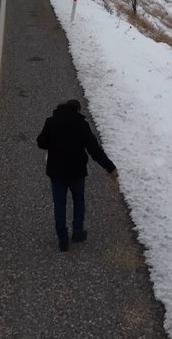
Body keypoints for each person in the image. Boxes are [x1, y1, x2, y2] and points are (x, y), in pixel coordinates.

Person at [36, 99, 118, 251]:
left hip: (57, 173)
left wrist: (52, 142)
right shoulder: (81, 125)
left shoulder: (51, 122)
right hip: (77, 172)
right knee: (78, 201)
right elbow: (95, 150)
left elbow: (41, 142)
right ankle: (78, 231)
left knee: (59, 205)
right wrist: (110, 168)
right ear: (77, 110)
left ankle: (62, 239)